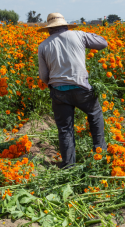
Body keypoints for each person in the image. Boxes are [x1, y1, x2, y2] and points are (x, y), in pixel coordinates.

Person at [38, 13, 108, 168]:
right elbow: (103, 43)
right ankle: (100, 154)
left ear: (49, 29)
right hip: (82, 89)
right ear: (66, 26)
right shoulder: (78, 35)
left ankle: (69, 165)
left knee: (65, 129)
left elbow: (43, 76)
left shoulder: (43, 46)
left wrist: (55, 82)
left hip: (59, 92)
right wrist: (86, 36)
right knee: (95, 116)